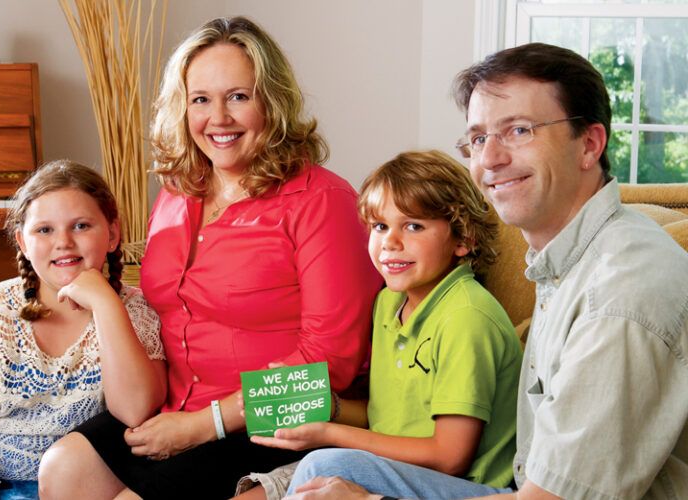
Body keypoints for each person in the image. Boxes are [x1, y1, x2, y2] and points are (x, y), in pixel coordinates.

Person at [284, 42, 688, 500]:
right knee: (319, 470)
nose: (490, 159)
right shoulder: (565, 261)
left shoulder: (619, 294)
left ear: (589, 144)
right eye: (478, 139)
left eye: (518, 130)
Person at [38, 16, 381, 500]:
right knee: (62, 468)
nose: (218, 118)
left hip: (266, 426)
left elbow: (327, 370)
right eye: (201, 99)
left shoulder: (324, 202)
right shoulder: (177, 193)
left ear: (273, 101)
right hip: (174, 408)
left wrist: (205, 424)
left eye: (238, 96)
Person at [238, 150, 522, 500]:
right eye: (380, 226)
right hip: (404, 468)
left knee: (319, 466)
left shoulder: (467, 318)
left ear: (463, 240)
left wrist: (329, 433)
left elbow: (450, 458)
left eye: (414, 226)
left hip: (472, 488)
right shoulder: (389, 301)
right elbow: (387, 422)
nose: (390, 242)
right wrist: (330, 408)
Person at [0, 160, 166, 500]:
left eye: (80, 226)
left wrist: (107, 305)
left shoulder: (136, 313)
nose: (63, 242)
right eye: (45, 230)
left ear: (112, 234)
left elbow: (135, 410)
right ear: (22, 241)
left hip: (77, 485)